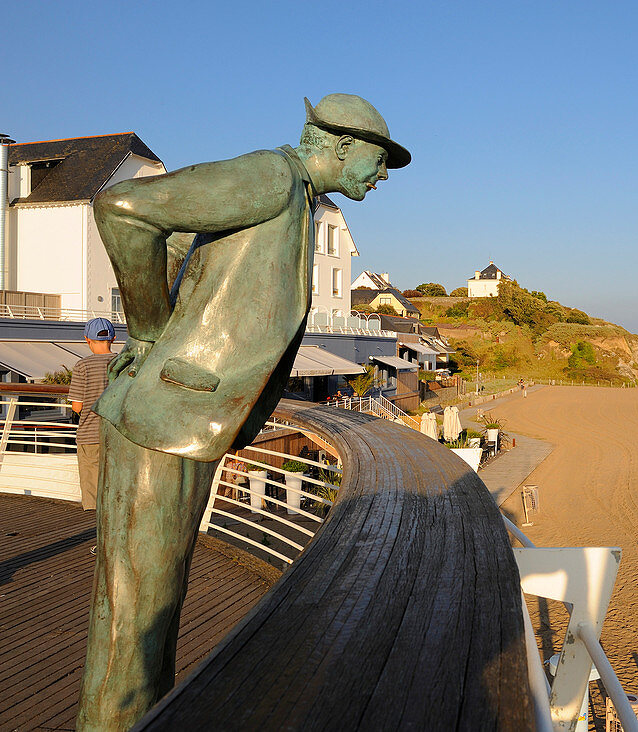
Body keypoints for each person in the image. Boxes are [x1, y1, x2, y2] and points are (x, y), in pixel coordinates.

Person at [77, 94, 409, 730]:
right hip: (161, 420)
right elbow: (122, 207)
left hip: (178, 421)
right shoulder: (270, 177)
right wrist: (150, 331)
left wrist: (174, 316)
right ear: (339, 143)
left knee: (148, 614)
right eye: (380, 156)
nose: (383, 172)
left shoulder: (293, 198)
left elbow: (173, 242)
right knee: (135, 626)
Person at [68, 318, 116, 524]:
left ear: (87, 339)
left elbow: (77, 406)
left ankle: (103, 541)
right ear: (113, 338)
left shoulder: (82, 366)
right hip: (118, 436)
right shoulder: (123, 362)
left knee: (95, 494)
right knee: (116, 489)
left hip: (90, 436)